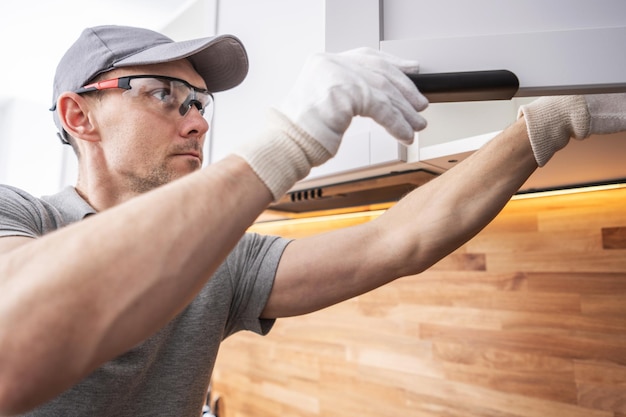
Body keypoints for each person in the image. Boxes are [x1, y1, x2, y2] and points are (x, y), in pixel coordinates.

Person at [0, 24, 624, 416]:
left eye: (199, 101)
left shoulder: (223, 259)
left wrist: (546, 125)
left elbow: (397, 239)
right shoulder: (17, 216)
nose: (198, 121)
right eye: (164, 94)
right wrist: (289, 141)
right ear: (79, 115)